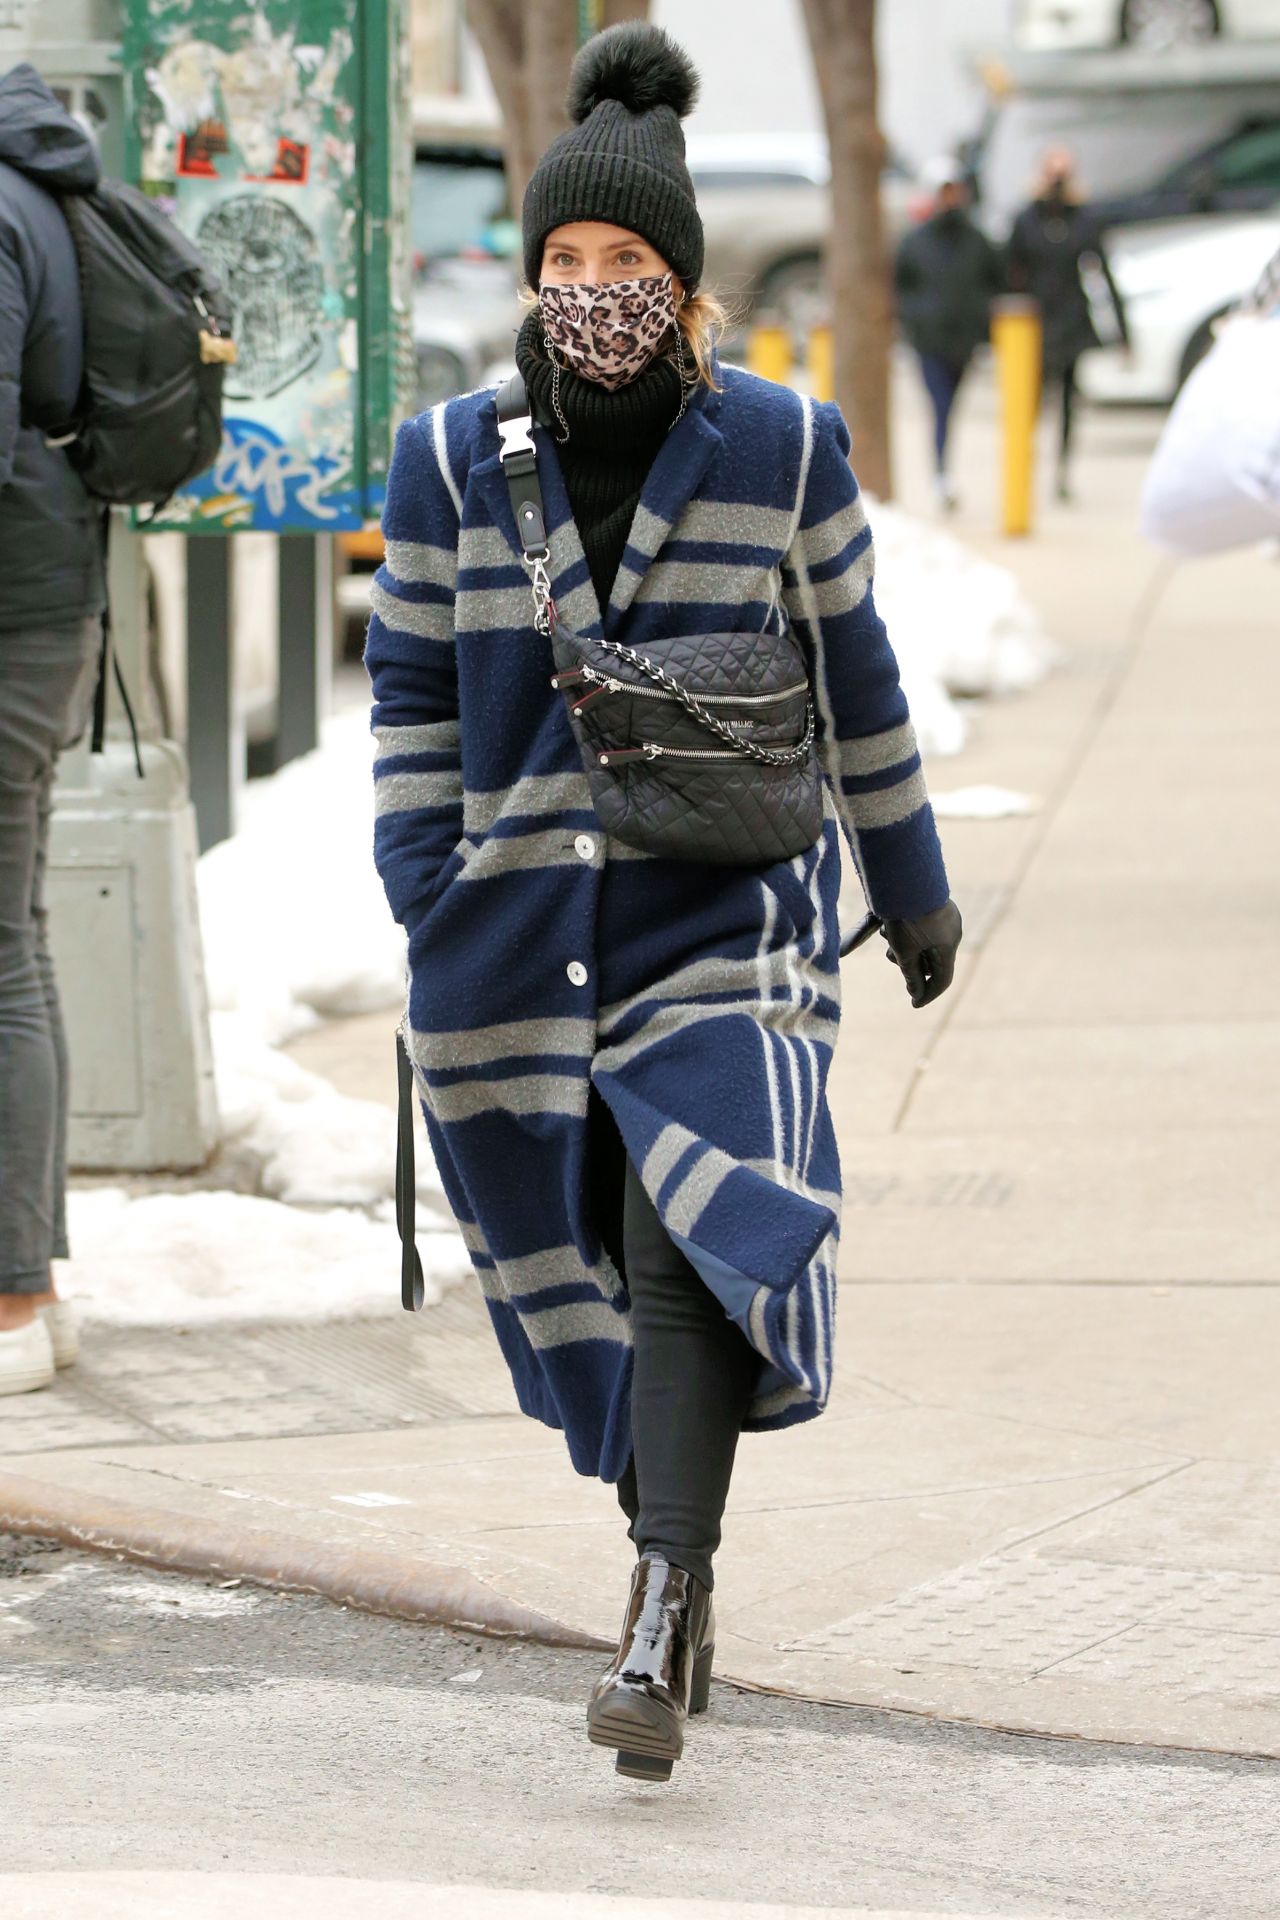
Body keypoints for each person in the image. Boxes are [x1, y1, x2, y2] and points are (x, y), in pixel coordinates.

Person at [364, 22, 961, 1783]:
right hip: (517, 939)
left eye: (627, 265)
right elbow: (405, 695)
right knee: (590, 1269)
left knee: (696, 1230)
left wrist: (910, 888)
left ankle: (657, 1592)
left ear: (684, 284)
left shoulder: (782, 447)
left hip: (731, 918)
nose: (592, 293)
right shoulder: (455, 461)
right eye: (564, 263)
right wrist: (425, 887)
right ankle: (672, 1566)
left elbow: (858, 677)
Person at [0, 65, 103, 1394]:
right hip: (43, 601)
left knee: (1, 954)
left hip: (10, 617)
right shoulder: (37, 176)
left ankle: (16, 1297)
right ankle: (37, 1280)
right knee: (11, 939)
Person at [1006, 146, 1127, 502]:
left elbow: (1102, 274)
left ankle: (1061, 472)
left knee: (1068, 404)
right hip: (1034, 324)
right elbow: (1009, 273)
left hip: (1071, 320)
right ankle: (1022, 468)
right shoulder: (1027, 219)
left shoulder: (1084, 219)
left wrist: (1121, 331)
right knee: (1030, 402)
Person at [895, 156, 1002, 511]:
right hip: (929, 341)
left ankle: (944, 471)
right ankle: (942, 474)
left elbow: (994, 280)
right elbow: (899, 285)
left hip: (964, 340)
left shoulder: (976, 240)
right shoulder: (916, 242)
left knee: (950, 407)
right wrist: (916, 319)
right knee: (940, 406)